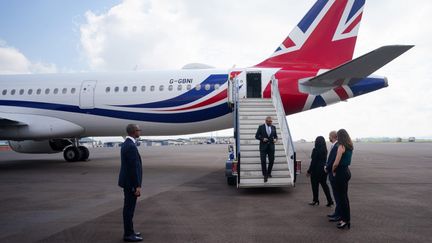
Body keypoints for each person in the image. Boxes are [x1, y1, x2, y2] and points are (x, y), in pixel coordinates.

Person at [118, 124, 143, 242]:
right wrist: (137, 185)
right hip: (130, 183)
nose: (140, 131)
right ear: (134, 131)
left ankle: (130, 231)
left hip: (127, 182)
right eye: (139, 130)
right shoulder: (131, 146)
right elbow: (134, 168)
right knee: (129, 209)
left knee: (128, 208)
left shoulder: (126, 144)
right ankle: (128, 234)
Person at [332, 129, 353, 230]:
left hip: (340, 172)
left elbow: (336, 162)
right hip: (346, 171)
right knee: (344, 197)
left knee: (342, 198)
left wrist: (333, 170)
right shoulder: (349, 146)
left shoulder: (341, 146)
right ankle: (345, 218)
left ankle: (345, 220)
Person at [307, 136, 333, 206]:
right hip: (323, 170)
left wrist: (309, 171)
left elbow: (313, 162)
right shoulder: (325, 150)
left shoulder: (315, 150)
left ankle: (315, 200)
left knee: (315, 186)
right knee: (324, 185)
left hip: (316, 170)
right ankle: (330, 200)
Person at [255, 116, 278, 182]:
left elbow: (276, 136)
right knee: (263, 161)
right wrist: (262, 139)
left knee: (271, 160)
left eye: (271, 121)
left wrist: (275, 139)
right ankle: (265, 175)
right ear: (266, 121)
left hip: (271, 147)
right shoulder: (261, 127)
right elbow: (256, 136)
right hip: (263, 147)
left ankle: (269, 173)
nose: (271, 122)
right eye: (269, 121)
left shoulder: (273, 127)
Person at [326, 131, 341, 222]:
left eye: (329, 136)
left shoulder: (336, 146)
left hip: (333, 173)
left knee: (337, 195)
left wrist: (326, 168)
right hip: (332, 172)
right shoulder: (335, 145)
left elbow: (333, 160)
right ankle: (336, 212)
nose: (329, 138)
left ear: (332, 137)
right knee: (336, 195)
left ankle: (338, 214)